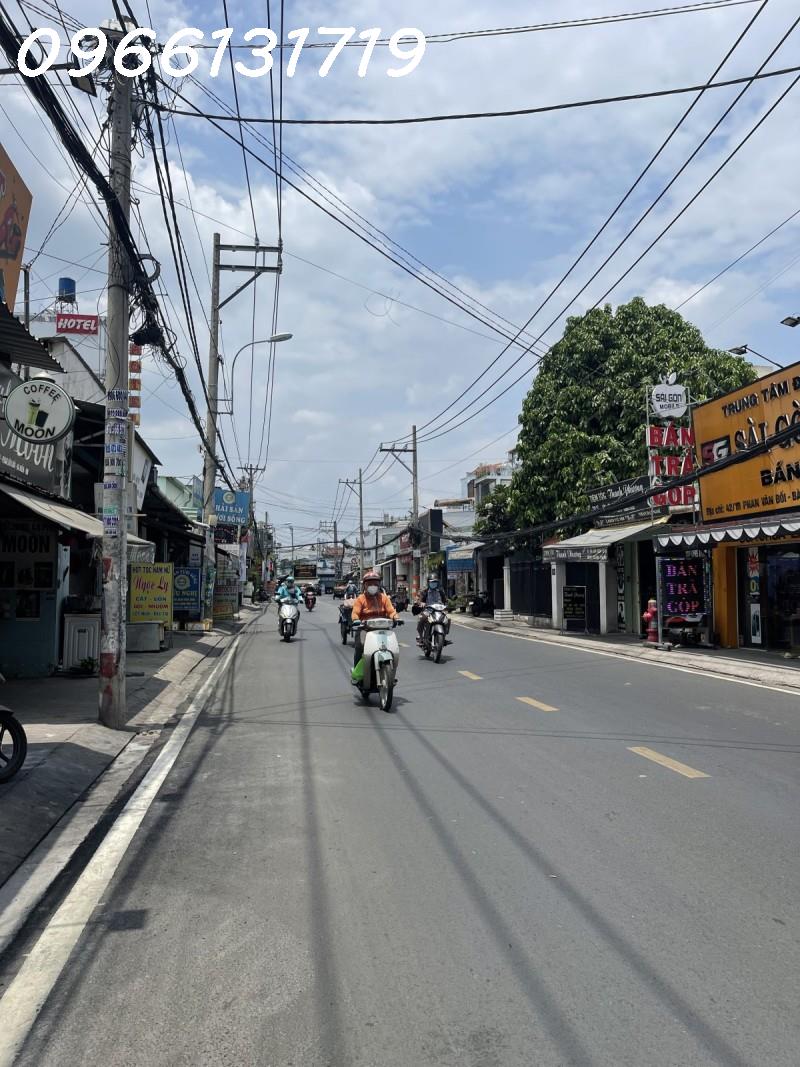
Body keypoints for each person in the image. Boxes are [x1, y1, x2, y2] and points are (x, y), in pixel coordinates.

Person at [350, 571, 398, 673]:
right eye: (369, 583)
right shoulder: (360, 599)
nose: (373, 586)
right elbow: (355, 612)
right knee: (359, 647)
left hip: (383, 628)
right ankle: (356, 671)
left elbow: (391, 611)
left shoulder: (384, 598)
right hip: (365, 628)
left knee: (392, 647)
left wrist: (396, 617)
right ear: (364, 585)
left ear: (379, 585)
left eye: (375, 583)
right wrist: (356, 620)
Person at [415, 575, 444, 646]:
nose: (433, 584)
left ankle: (444, 635)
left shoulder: (440, 591)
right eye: (432, 582)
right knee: (422, 619)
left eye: (435, 582)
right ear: (428, 583)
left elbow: (445, 601)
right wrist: (421, 603)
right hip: (428, 610)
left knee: (446, 619)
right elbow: (419, 600)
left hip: (438, 611)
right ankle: (421, 637)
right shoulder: (424, 591)